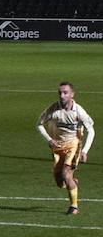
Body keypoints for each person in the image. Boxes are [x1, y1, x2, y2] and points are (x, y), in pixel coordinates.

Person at [36, 80, 93, 215]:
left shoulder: (79, 112)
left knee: (65, 173)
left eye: (65, 93)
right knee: (59, 181)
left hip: (74, 145)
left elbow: (91, 131)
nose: (62, 96)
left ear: (72, 94)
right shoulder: (53, 109)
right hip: (58, 146)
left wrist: (85, 150)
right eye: (60, 93)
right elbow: (38, 124)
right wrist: (49, 140)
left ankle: (74, 207)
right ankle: (72, 182)